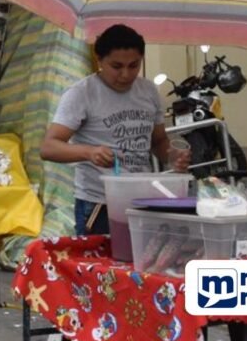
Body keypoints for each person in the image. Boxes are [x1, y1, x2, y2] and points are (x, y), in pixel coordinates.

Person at [40, 24, 190, 235]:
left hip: (142, 200)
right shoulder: (82, 93)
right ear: (99, 60)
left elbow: (158, 141)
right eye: (116, 66)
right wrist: (89, 152)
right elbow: (48, 147)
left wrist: (173, 157)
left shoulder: (148, 91)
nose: (125, 74)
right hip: (99, 204)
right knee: (103, 256)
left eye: (134, 65)